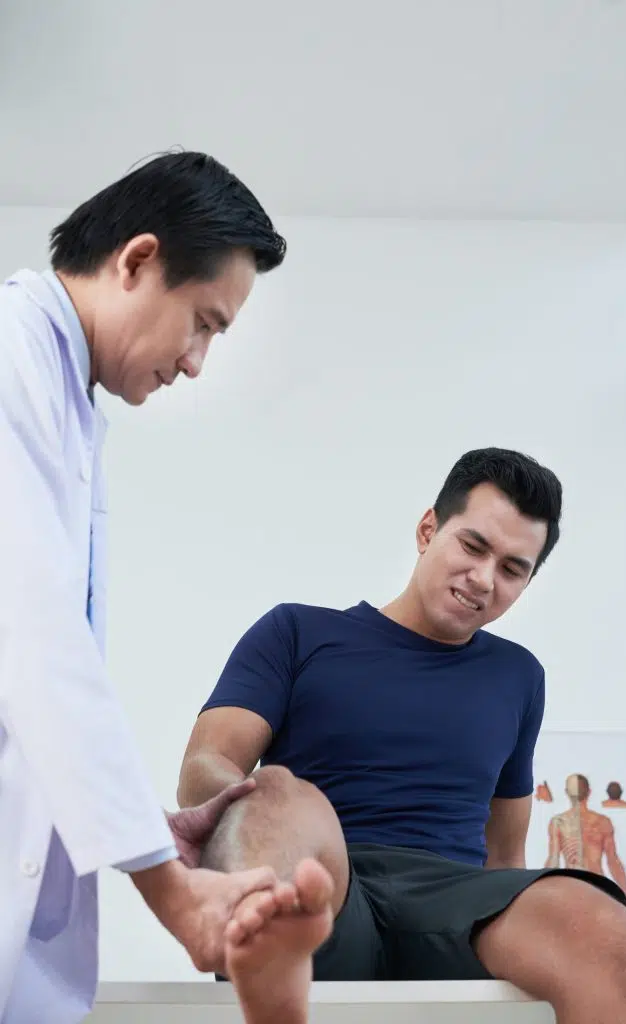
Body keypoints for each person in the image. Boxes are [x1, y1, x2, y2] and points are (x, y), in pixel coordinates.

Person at [0, 151, 333, 1024]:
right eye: (204, 324)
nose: (197, 363)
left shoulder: (67, 399)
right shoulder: (9, 359)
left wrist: (150, 830)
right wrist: (170, 893)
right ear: (138, 260)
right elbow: (35, 642)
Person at [179, 448, 626, 1024]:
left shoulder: (519, 677)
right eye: (473, 546)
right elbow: (206, 766)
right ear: (428, 528)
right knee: (281, 793)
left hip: (451, 900)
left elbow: (504, 854)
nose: (484, 579)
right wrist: (253, 818)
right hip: (327, 881)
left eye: (513, 569)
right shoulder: (298, 632)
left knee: (597, 917)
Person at [546, 774, 626, 917]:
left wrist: (546, 891)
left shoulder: (558, 822)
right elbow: (613, 861)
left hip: (572, 887)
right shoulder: (603, 822)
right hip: (598, 886)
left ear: (567, 793)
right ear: (589, 792)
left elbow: (553, 860)